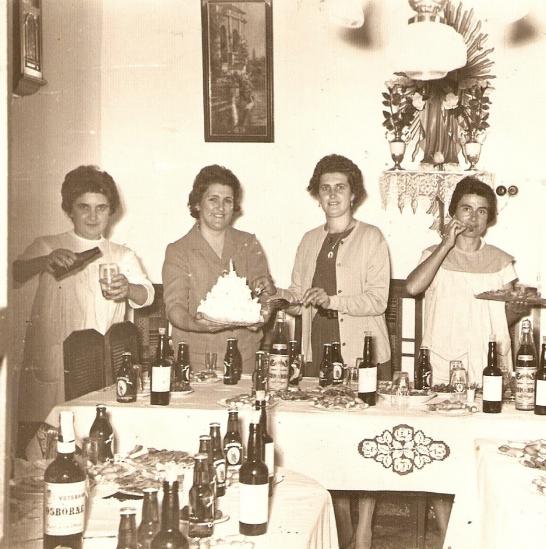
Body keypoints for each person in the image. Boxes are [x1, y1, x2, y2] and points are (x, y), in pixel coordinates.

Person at [271, 154, 391, 549]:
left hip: (363, 355)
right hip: (317, 351)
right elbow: (298, 298)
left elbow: (378, 299)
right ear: (317, 195)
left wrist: (332, 300)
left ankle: (364, 530)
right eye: (325, 188)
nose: (333, 194)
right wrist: (277, 297)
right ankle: (341, 527)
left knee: (366, 441)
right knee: (327, 440)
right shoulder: (309, 240)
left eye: (341, 187)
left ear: (354, 194)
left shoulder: (372, 237)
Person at [405, 175, 526, 541]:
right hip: (444, 364)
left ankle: (480, 532)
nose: (473, 218)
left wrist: (514, 309)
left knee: (486, 448)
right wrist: (446, 244)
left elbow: (507, 314)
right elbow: (412, 287)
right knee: (442, 448)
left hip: (488, 367)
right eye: (466, 209)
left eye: (482, 212)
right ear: (453, 212)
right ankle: (448, 535)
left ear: (490, 218)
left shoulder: (501, 261)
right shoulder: (434, 253)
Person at [14, 165, 154, 431]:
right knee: (48, 436)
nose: (93, 216)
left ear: (111, 211)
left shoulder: (121, 254)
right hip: (54, 362)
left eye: (101, 208)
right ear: (70, 209)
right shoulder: (48, 245)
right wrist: (44, 261)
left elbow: (147, 295)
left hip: (101, 363)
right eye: (83, 207)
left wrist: (128, 289)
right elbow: (15, 273)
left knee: (97, 430)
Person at [162, 164, 274, 374]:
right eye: (213, 199)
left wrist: (263, 314)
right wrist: (198, 325)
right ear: (197, 204)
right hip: (196, 360)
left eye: (227, 200)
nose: (220, 207)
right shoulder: (178, 250)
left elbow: (265, 294)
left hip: (245, 356)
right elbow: (174, 309)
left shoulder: (248, 243)